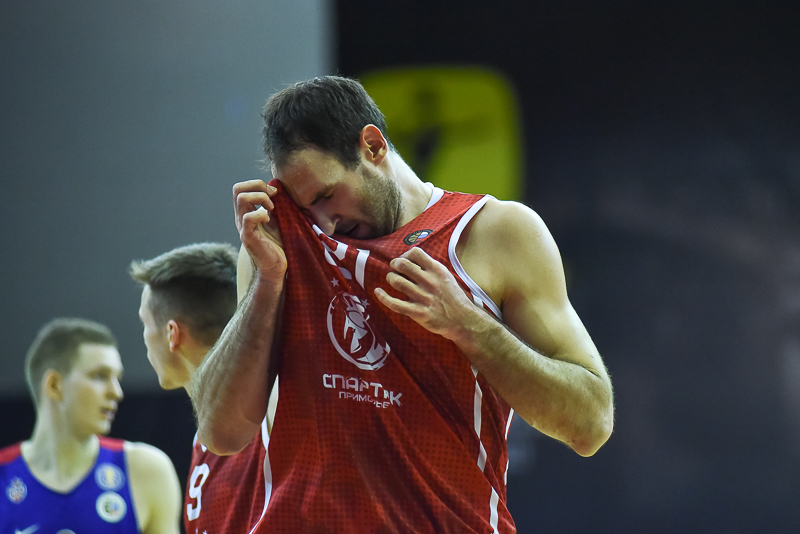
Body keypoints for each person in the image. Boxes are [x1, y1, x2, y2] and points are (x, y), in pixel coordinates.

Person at [191, 76, 615, 533]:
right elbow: (221, 433)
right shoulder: (283, 248)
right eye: (306, 208)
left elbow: (590, 423)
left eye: (327, 195)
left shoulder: (495, 232)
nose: (325, 223)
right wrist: (267, 282)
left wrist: (469, 324)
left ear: (372, 146)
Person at [130, 242, 272, 533]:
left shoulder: (271, 409)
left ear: (172, 334)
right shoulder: (206, 435)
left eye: (145, 323)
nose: (143, 338)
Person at [0, 318, 181, 533]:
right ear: (55, 385)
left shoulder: (146, 470)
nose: (116, 392)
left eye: (117, 378)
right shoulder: (4, 474)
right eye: (100, 376)